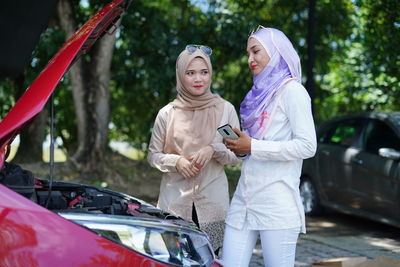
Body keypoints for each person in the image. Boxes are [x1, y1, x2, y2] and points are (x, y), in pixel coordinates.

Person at [221, 26, 317, 267]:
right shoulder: (257, 96)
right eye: (248, 54)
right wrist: (242, 148)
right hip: (244, 201)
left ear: (276, 52)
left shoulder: (293, 91)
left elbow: (307, 146)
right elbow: (256, 147)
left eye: (256, 51)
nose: (250, 59)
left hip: (277, 204)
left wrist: (253, 145)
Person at [147, 44, 241, 254]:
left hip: (213, 205)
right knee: (176, 258)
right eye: (191, 73)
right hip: (175, 205)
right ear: (181, 75)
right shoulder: (167, 114)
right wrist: (176, 162)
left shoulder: (224, 111)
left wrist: (214, 149)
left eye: (204, 72)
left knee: (212, 258)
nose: (199, 79)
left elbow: (236, 155)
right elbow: (153, 156)